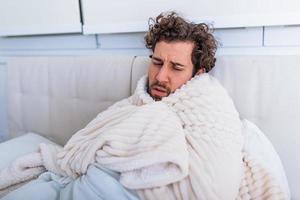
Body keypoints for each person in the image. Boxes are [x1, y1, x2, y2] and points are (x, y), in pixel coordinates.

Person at [0, 12, 290, 200]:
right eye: (156, 62)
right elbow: (84, 148)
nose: (161, 76)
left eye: (176, 67)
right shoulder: (136, 102)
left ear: (197, 73)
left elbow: (212, 187)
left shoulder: (209, 107)